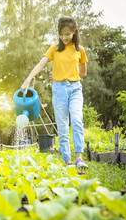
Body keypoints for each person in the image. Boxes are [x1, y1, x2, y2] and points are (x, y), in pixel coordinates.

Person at [21, 16, 88, 169]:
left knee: (77, 120)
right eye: (61, 34)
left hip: (75, 88)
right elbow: (40, 64)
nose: (64, 37)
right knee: (62, 125)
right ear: (58, 33)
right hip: (59, 90)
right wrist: (28, 79)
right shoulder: (54, 49)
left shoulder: (80, 51)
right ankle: (67, 161)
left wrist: (67, 74)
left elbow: (82, 73)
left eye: (68, 34)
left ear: (74, 32)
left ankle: (79, 158)